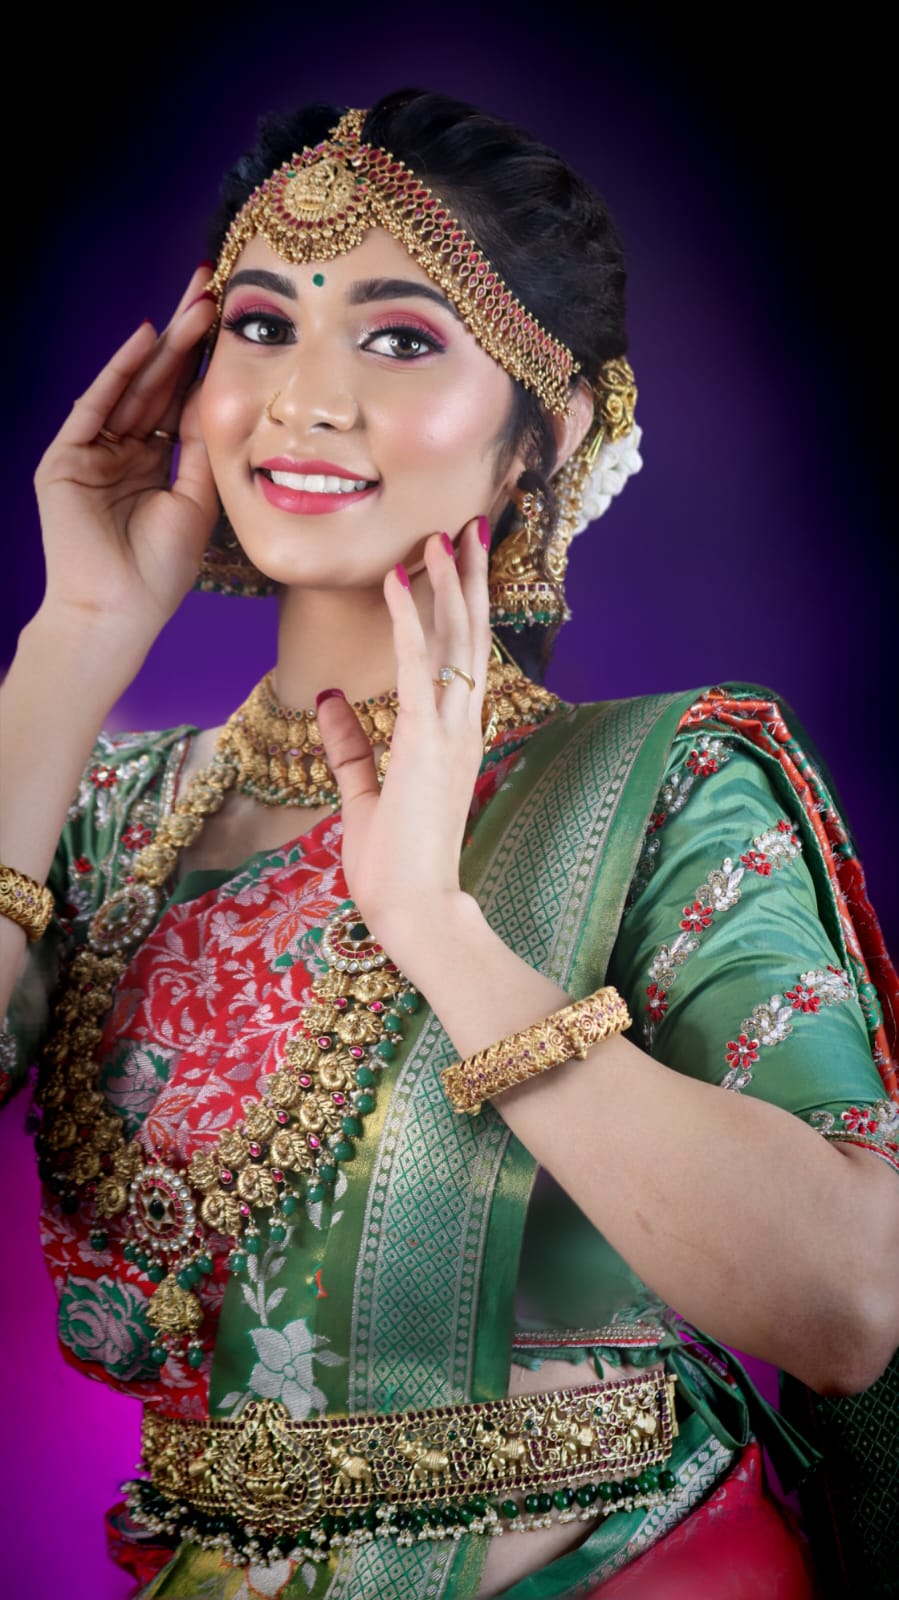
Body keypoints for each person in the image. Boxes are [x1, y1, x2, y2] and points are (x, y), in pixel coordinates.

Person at [1, 88, 897, 1600]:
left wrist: (438, 930)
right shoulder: (102, 818)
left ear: (546, 436)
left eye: (402, 339)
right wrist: (73, 640)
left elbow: (849, 1306)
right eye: (262, 326)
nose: (304, 398)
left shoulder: (665, 787)